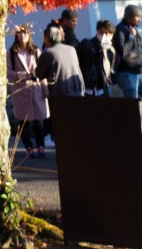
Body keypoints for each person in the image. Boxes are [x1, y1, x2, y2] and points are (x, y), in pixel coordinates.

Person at [8, 25, 49, 159]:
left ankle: (41, 146)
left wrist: (45, 90)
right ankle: (28, 146)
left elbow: (43, 72)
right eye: (19, 33)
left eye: (25, 33)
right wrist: (25, 75)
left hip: (36, 89)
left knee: (39, 121)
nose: (22, 35)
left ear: (29, 35)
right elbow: (8, 73)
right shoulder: (11, 53)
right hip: (21, 91)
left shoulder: (36, 51)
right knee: (23, 121)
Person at [38, 24, 85, 115]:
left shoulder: (48, 52)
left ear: (47, 38)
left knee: (60, 125)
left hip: (59, 94)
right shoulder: (71, 49)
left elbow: (39, 73)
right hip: (77, 90)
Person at [111, 5, 142, 101]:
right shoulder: (119, 30)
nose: (140, 19)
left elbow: (140, 52)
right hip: (127, 73)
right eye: (137, 17)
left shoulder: (133, 29)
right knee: (132, 104)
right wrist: (131, 37)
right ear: (129, 17)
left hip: (141, 72)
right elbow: (123, 52)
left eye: (140, 17)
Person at [79, 19, 115, 96]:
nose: (104, 36)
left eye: (107, 34)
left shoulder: (111, 50)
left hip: (103, 89)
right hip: (87, 89)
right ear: (97, 31)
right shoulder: (87, 44)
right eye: (102, 33)